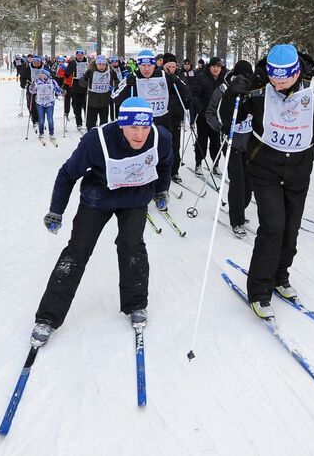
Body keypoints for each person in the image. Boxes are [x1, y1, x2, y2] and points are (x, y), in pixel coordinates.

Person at [219, 44, 314, 319]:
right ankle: (259, 290)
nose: (278, 82)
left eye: (284, 77)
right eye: (274, 76)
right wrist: (232, 95)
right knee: (273, 226)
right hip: (264, 165)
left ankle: (280, 276)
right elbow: (226, 120)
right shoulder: (259, 84)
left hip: (299, 168)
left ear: (297, 70)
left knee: (291, 228)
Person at [29, 97, 174, 347]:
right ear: (121, 125)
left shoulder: (161, 138)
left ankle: (135, 304)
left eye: (145, 127)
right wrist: (56, 210)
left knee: (132, 246)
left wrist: (162, 190)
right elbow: (67, 175)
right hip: (98, 197)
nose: (140, 135)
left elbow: (166, 163)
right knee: (77, 251)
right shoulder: (96, 142)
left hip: (136, 197)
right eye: (133, 128)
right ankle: (48, 318)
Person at [206, 59, 255, 235]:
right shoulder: (223, 89)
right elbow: (210, 113)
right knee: (238, 182)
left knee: (249, 182)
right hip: (231, 141)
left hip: (250, 143)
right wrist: (221, 126)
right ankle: (237, 219)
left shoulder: (253, 89)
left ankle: (240, 207)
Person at [112, 49, 177, 134]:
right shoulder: (133, 77)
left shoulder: (164, 75)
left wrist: (177, 81)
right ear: (138, 65)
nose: (147, 69)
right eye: (143, 65)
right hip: (141, 124)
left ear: (154, 65)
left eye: (149, 65)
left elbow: (183, 95)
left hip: (163, 123)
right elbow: (115, 97)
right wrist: (127, 86)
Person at [192, 56, 227, 176]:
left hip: (218, 116)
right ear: (210, 67)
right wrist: (199, 107)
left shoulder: (224, 79)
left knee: (216, 141)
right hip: (203, 115)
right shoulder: (202, 77)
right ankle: (198, 163)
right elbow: (195, 94)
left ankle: (216, 164)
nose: (216, 69)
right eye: (214, 66)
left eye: (218, 66)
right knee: (202, 139)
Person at [162, 53, 192, 183]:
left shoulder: (179, 75)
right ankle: (161, 170)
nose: (171, 69)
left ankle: (174, 170)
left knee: (175, 143)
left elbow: (186, 90)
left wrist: (176, 80)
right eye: (168, 66)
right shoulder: (159, 75)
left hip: (175, 114)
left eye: (173, 66)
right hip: (161, 115)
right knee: (162, 143)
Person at [81, 54, 118, 130]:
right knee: (91, 124)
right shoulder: (91, 71)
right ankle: (90, 137)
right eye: (99, 64)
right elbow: (82, 84)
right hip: (92, 101)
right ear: (96, 64)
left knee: (104, 124)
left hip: (104, 102)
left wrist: (115, 78)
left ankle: (102, 137)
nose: (101, 66)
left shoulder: (109, 71)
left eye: (103, 64)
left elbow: (117, 84)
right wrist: (85, 78)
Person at [29, 68, 64, 142]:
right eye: (40, 74)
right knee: (41, 120)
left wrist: (62, 92)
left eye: (42, 74)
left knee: (50, 119)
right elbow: (32, 91)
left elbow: (57, 90)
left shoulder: (52, 82)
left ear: (46, 75)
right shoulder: (37, 82)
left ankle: (51, 133)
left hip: (50, 103)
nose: (40, 75)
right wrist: (31, 87)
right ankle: (41, 133)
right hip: (40, 103)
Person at [64, 49, 90, 133]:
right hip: (75, 86)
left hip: (85, 87)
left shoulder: (87, 63)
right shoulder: (73, 63)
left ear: (83, 55)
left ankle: (88, 123)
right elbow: (66, 74)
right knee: (77, 106)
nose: (79, 56)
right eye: (78, 55)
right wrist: (71, 67)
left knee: (87, 106)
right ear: (76, 55)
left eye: (81, 55)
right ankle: (79, 123)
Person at [20, 55, 46, 131]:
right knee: (31, 104)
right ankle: (35, 120)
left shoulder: (44, 68)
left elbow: (50, 75)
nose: (36, 64)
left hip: (41, 88)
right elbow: (23, 77)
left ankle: (41, 119)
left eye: (38, 62)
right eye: (35, 62)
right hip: (31, 87)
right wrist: (23, 83)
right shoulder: (28, 68)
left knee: (41, 104)